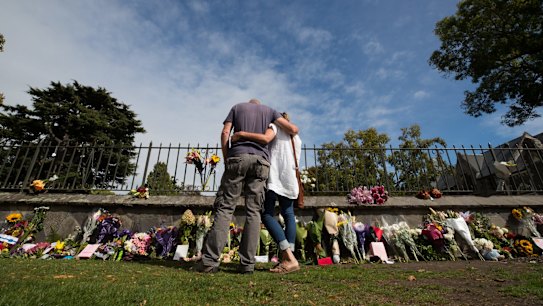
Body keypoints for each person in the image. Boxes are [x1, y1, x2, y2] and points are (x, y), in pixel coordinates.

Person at [198, 99, 298, 274]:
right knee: (254, 212)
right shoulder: (270, 111)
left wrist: (228, 156)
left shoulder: (236, 108)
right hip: (261, 162)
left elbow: (225, 133)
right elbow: (293, 129)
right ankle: (247, 264)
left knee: (226, 208)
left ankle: (210, 261)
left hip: (238, 157)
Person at [231, 112, 301, 274]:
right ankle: (289, 258)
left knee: (266, 214)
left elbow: (265, 139)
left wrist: (241, 135)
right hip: (289, 177)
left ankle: (288, 257)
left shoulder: (274, 127)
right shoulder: (295, 137)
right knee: (288, 213)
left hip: (275, 176)